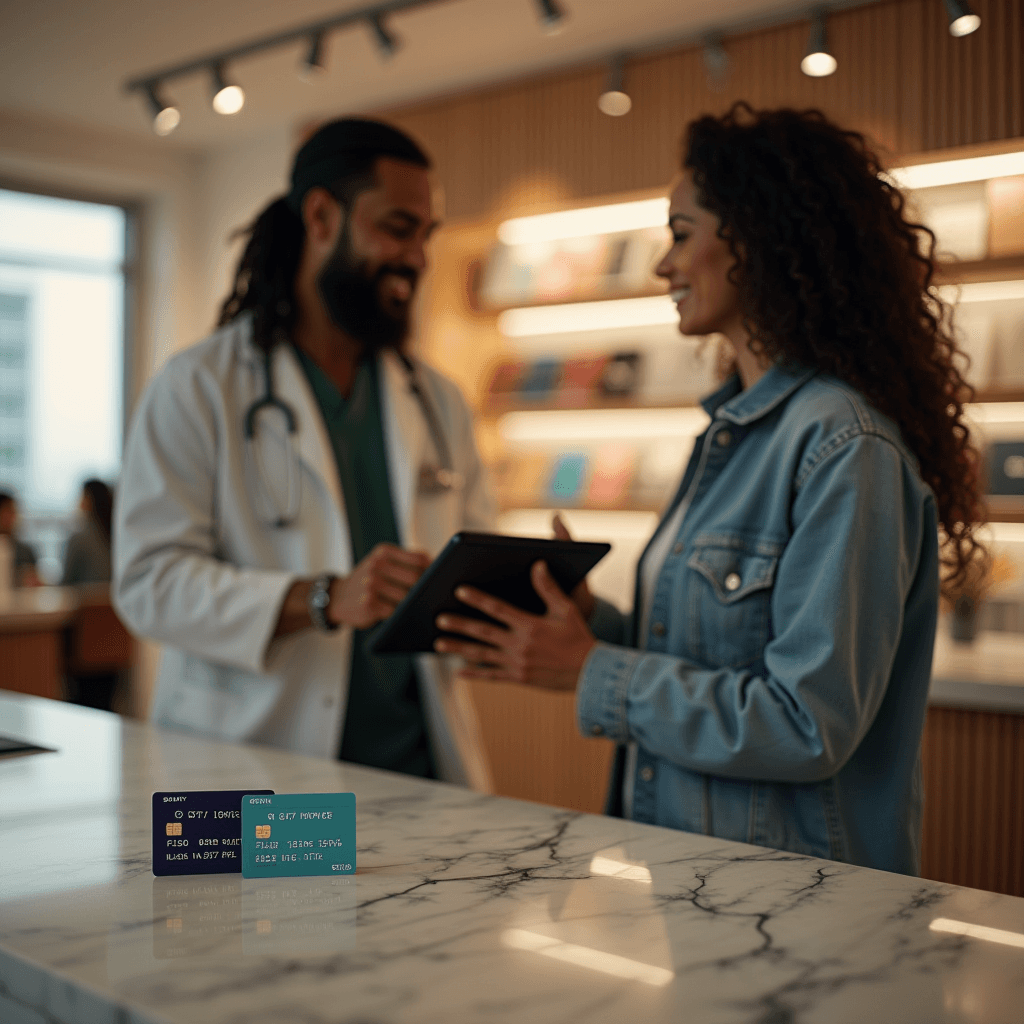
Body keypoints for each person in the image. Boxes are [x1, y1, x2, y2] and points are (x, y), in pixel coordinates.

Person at [434, 104, 985, 875]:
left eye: (681, 232)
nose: (663, 265)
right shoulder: (728, 434)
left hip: (793, 902)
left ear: (755, 240)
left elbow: (807, 723)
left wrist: (593, 670)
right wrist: (597, 626)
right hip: (703, 884)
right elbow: (717, 656)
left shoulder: (844, 447)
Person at [114, 118, 495, 788]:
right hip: (247, 771)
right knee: (273, 896)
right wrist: (321, 598)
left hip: (416, 776)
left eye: (425, 235)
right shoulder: (200, 385)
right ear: (322, 215)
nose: (418, 257)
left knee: (430, 898)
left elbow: (476, 547)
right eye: (399, 228)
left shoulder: (434, 399)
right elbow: (148, 585)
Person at [62, 479, 113, 586]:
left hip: (87, 601)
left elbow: (66, 583)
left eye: (81, 497)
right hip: (112, 600)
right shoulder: (115, 535)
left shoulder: (79, 539)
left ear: (89, 501)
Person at [0, 491, 41, 588]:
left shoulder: (25, 551)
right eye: (8, 511)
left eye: (14, 512)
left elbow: (37, 584)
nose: (14, 517)